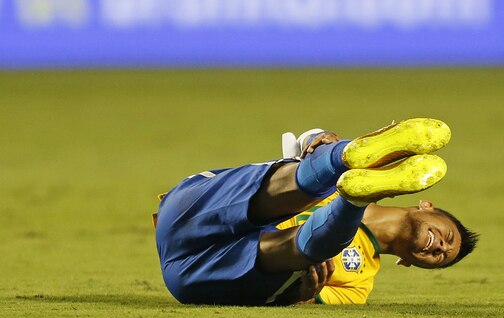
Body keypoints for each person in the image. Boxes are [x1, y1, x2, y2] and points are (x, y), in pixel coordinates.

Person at [154, 118, 478, 306]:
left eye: (440, 257)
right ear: (427, 205)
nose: (440, 246)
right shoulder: (357, 280)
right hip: (194, 211)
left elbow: (304, 301)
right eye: (447, 237)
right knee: (301, 185)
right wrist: (318, 140)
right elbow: (307, 136)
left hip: (196, 271)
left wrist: (300, 295)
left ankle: (352, 192)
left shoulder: (358, 286)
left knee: (298, 258)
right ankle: (342, 159)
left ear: (408, 263)